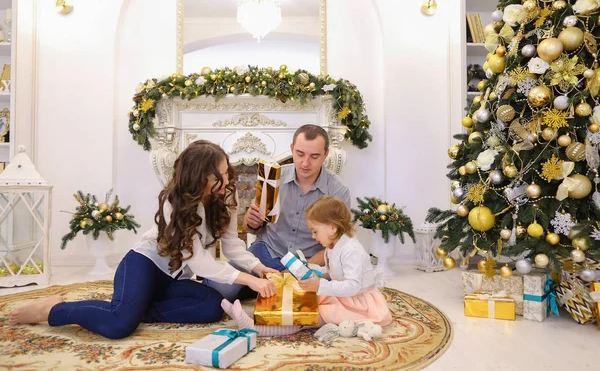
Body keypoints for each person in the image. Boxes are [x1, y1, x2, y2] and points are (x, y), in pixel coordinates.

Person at [9, 140, 278, 339]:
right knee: (118, 326)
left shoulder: (226, 197)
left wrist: (258, 268)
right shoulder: (175, 202)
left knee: (211, 306)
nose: (227, 177)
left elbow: (231, 245)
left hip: (174, 278)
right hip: (144, 265)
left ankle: (136, 308)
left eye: (226, 170)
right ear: (201, 177)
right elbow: (199, 262)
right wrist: (249, 280)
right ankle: (53, 309)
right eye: (220, 173)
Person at [203, 124, 350, 301]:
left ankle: (262, 289)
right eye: (300, 154)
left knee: (309, 300)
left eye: (314, 156)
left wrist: (299, 267)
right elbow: (252, 227)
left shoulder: (338, 191)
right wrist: (251, 222)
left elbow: (336, 246)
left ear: (326, 155)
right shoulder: (273, 177)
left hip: (309, 262)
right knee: (219, 290)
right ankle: (262, 286)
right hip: (266, 252)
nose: (305, 163)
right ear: (292, 149)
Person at [221, 196, 392, 336]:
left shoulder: (351, 250)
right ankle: (255, 314)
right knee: (303, 298)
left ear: (332, 228)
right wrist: (317, 274)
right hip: (342, 294)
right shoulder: (333, 245)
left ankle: (255, 327)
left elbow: (352, 285)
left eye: (315, 231)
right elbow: (333, 271)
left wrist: (320, 284)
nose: (313, 236)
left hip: (357, 302)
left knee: (308, 315)